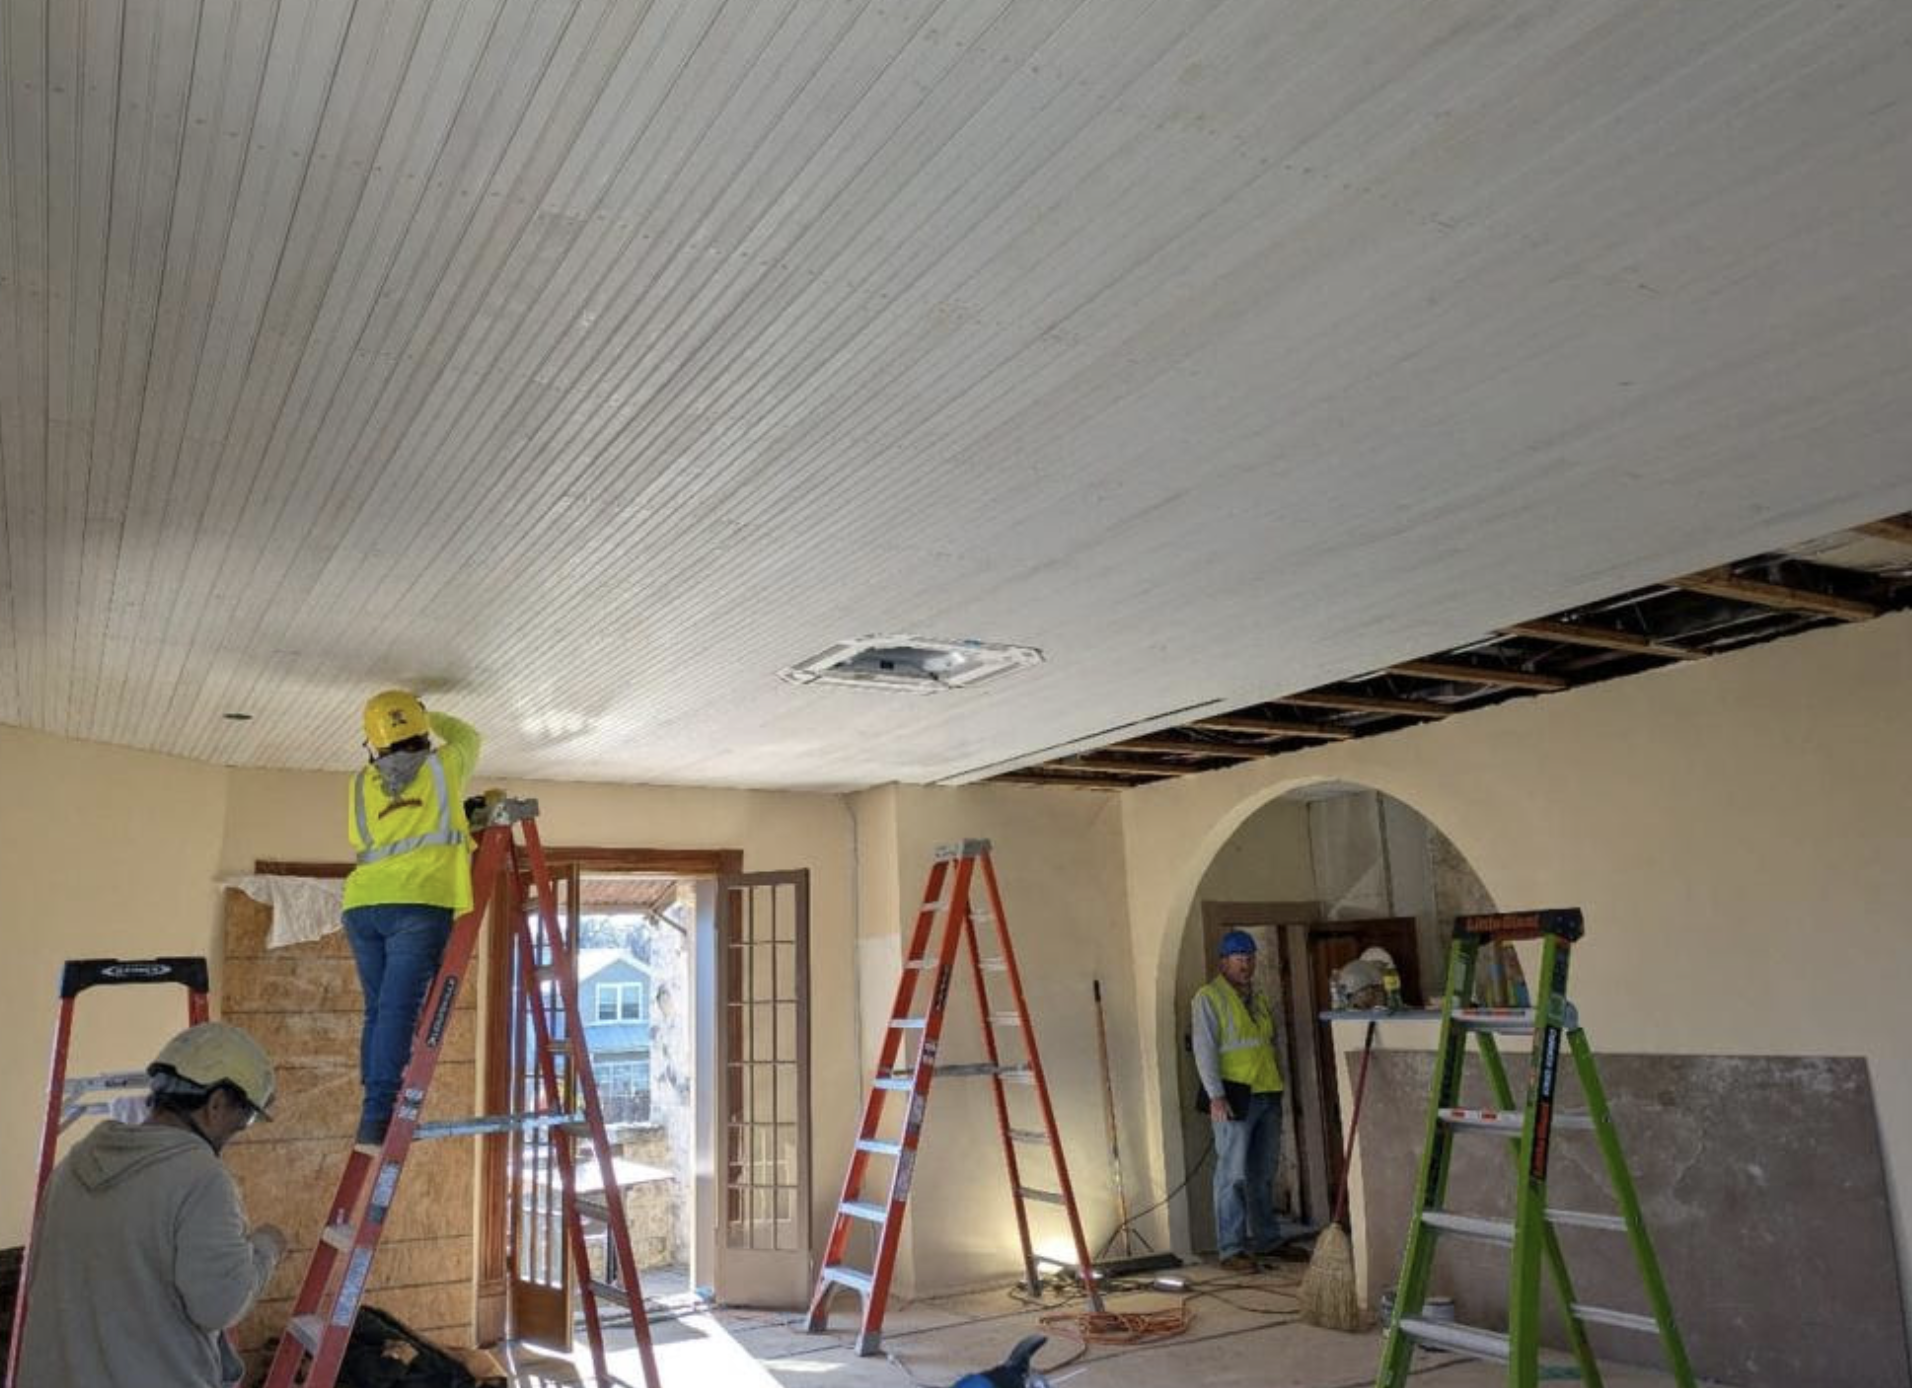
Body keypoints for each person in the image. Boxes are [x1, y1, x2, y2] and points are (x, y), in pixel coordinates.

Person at [13, 1023, 288, 1388]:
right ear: (217, 1103)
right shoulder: (201, 1178)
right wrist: (265, 1249)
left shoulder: (73, 1164)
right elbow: (220, 1303)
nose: (240, 1131)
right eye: (246, 1117)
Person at [344, 689, 480, 1147]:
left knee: (380, 1011)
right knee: (397, 1012)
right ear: (421, 730)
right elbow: (467, 734)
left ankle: (373, 1113)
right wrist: (426, 713)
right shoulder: (445, 767)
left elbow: (394, 830)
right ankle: (378, 1117)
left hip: (363, 907)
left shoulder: (361, 784)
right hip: (418, 905)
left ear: (373, 742)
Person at [1191, 929, 1287, 1271]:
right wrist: (1216, 1095)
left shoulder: (1257, 998)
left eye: (1250, 958)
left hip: (1266, 1092)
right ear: (1224, 961)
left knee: (1262, 1172)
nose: (1246, 964)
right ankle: (1231, 1249)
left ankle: (1267, 1240)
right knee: (1232, 1175)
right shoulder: (1209, 997)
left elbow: (1264, 1045)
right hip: (1234, 1097)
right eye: (1239, 958)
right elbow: (1204, 1049)